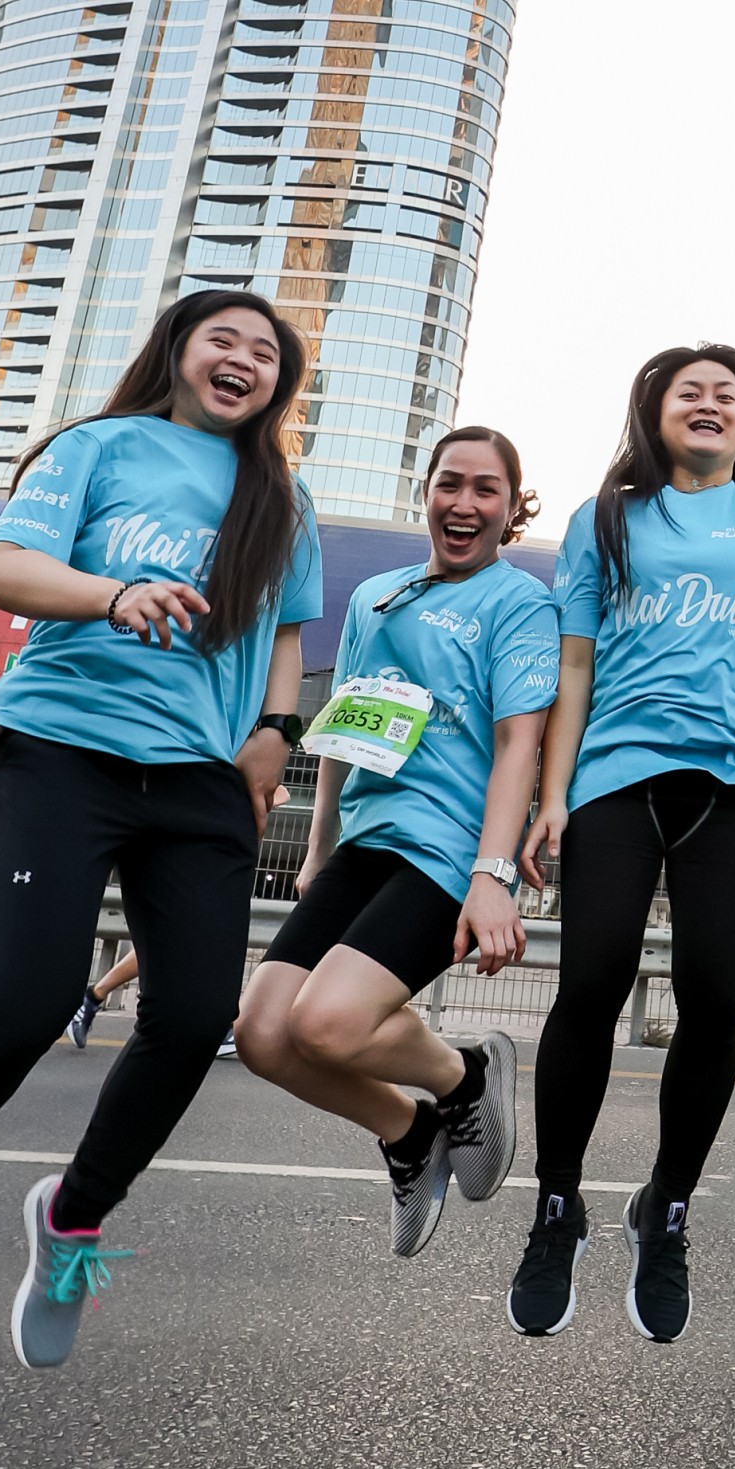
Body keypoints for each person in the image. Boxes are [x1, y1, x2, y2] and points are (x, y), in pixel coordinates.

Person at [0, 291, 322, 1369]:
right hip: (64, 749)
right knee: (22, 1002)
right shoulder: (95, 447)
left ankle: (74, 1217)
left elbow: (285, 637)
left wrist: (274, 736)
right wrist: (115, 595)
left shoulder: (281, 500)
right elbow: (2, 571)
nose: (243, 359)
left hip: (198, 777)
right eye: (223, 340)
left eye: (265, 352)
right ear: (178, 351)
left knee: (196, 1016)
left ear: (278, 385)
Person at [510, 343, 735, 1343]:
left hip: (732, 789)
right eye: (686, 392)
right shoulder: (603, 518)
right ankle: (557, 1206)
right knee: (591, 982)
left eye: (726, 394)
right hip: (616, 781)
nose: (707, 403)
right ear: (651, 413)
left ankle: (667, 1207)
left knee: (714, 1003)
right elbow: (573, 668)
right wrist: (552, 795)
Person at [234, 426, 556, 1253]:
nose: (465, 502)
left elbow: (521, 744)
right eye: (451, 483)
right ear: (428, 491)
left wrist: (492, 875)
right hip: (363, 847)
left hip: (448, 851)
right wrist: (316, 849)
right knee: (264, 1034)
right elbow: (344, 731)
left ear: (511, 509)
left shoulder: (520, 605)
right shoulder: (376, 595)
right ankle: (409, 1131)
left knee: (328, 1026)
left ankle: (467, 1073)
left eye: (487, 489)